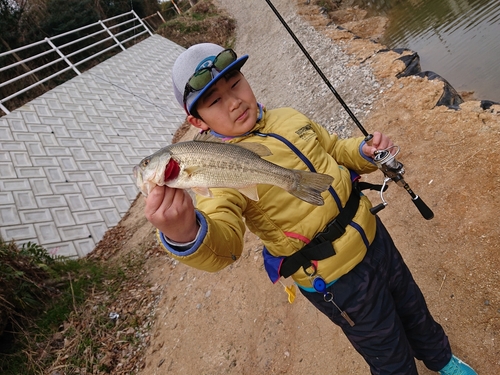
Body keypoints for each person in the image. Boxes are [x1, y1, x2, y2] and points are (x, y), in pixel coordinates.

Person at [144, 43, 477, 375]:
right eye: (215, 100)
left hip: (375, 239)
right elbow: (224, 241)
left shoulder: (289, 117)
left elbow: (333, 148)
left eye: (236, 84)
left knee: (412, 306)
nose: (234, 102)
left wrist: (363, 152)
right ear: (196, 120)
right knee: (386, 350)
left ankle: (441, 359)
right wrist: (186, 233)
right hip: (335, 279)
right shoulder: (214, 172)